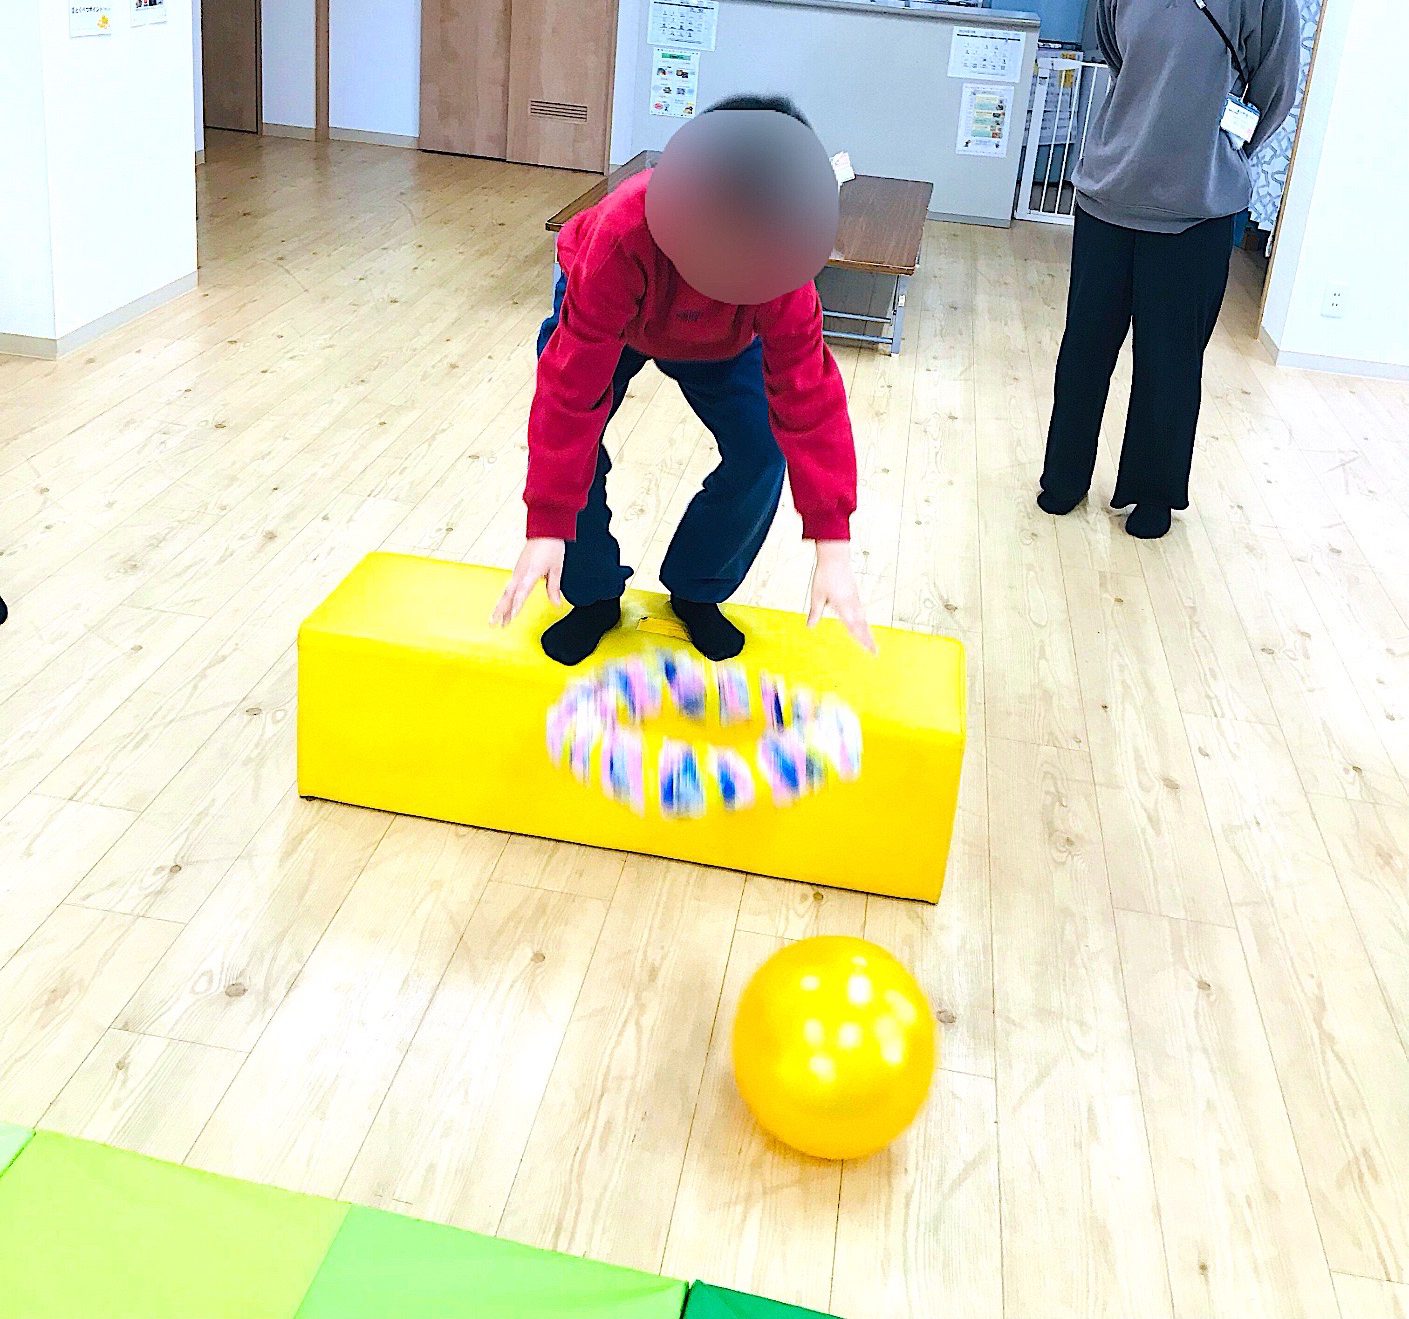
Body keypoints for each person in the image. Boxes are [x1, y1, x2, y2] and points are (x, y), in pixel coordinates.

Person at [492, 95, 874, 664]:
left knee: (760, 450)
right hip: (616, 314)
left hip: (722, 341)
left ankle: (698, 589)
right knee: (579, 446)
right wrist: (547, 526)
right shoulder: (624, 232)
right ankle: (592, 595)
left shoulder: (782, 269)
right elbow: (568, 396)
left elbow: (809, 399)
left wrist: (833, 545)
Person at [1038, 0, 1299, 539]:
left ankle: (1153, 493)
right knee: (1084, 349)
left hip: (1197, 211)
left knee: (1171, 363)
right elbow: (1117, 54)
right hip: (1107, 194)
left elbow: (1275, 88)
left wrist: (1219, 153)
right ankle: (1064, 476)